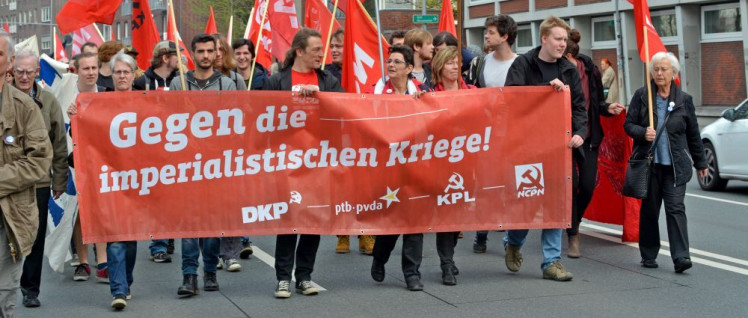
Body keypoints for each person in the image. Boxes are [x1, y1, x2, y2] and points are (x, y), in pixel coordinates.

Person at [503, 16, 587, 282]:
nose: (563, 44)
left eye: (565, 40)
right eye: (558, 39)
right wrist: (544, 91)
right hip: (527, 147)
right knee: (528, 202)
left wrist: (580, 134)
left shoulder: (569, 70)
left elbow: (579, 108)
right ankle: (514, 241)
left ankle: (552, 262)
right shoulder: (523, 64)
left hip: (559, 148)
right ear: (544, 39)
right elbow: (511, 99)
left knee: (555, 203)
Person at [262, 28, 343, 298]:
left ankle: (304, 276)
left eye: (323, 49)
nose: (323, 53)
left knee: (313, 219)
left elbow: (343, 110)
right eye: (317, 49)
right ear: (299, 51)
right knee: (289, 220)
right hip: (286, 161)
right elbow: (263, 118)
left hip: (318, 162)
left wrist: (322, 98)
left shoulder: (328, 80)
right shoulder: (276, 81)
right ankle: (283, 278)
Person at [623, 52, 706, 273]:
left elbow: (694, 135)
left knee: (676, 209)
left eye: (664, 69)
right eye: (656, 69)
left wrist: (701, 164)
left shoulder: (683, 100)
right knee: (650, 210)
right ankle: (648, 254)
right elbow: (628, 124)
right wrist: (642, 132)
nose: (659, 73)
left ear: (674, 73)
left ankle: (681, 257)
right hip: (649, 166)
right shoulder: (642, 96)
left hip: (675, 167)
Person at [170, 34, 237, 296]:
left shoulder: (227, 84)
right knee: (189, 224)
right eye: (201, 51)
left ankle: (209, 270)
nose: (206, 55)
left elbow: (233, 123)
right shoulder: (179, 83)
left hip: (215, 165)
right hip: (186, 165)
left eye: (210, 51)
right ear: (192, 54)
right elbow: (166, 122)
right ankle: (189, 276)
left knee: (211, 223)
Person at [0, 30, 53, 318]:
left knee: (4, 294)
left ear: (8, 62)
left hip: (10, 216)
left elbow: (40, 159)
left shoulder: (25, 107)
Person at [368, 45, 429, 291]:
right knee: (392, 218)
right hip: (387, 164)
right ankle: (379, 258)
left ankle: (412, 273)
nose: (391, 65)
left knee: (415, 220)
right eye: (389, 61)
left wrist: (422, 104)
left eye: (397, 62)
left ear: (409, 68)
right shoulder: (375, 91)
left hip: (417, 162)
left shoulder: (424, 91)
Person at [12, 50, 69, 308]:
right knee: (6, 236)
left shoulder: (48, 101)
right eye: (19, 71)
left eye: (29, 71)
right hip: (7, 183)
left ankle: (30, 289)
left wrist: (59, 181)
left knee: (35, 239)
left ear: (37, 72)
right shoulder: (3, 99)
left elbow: (59, 144)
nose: (24, 77)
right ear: (12, 71)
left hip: (39, 184)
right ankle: (6, 284)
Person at [563, 30, 624, 258]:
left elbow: (597, 102)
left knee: (587, 186)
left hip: (588, 138)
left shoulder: (590, 70)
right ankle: (573, 235)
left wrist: (607, 108)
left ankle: (574, 220)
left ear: (572, 56)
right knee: (571, 185)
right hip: (564, 139)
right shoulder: (555, 72)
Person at [468, 14, 518, 253]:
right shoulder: (480, 63)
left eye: (490, 32)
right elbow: (471, 93)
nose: (486, 36)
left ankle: (510, 236)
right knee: (485, 184)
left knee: (509, 184)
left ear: (505, 36)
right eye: (486, 32)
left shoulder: (521, 63)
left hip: (511, 133)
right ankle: (481, 231)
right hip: (485, 133)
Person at [430, 46, 475, 286]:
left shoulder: (474, 91)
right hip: (441, 161)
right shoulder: (429, 93)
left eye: (457, 62)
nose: (455, 66)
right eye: (449, 63)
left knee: (457, 214)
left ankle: (449, 256)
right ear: (439, 66)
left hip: (468, 160)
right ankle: (446, 263)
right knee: (445, 214)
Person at [70, 52, 111, 283]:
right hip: (73, 161)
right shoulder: (67, 95)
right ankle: (83, 260)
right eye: (86, 68)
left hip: (101, 160)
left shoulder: (106, 95)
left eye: (94, 67)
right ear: (77, 70)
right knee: (78, 212)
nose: (91, 72)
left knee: (100, 209)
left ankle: (102, 261)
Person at [104, 51, 140, 310]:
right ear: (112, 75)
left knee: (130, 236)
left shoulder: (146, 102)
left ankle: (125, 280)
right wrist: (76, 113)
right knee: (115, 234)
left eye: (126, 71)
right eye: (117, 72)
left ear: (134, 74)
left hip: (140, 180)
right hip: (109, 179)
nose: (122, 76)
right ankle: (118, 289)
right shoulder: (98, 103)